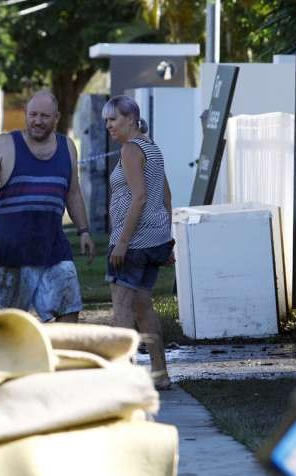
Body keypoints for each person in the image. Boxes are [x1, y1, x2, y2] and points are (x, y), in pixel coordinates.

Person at [0, 90, 95, 322]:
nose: (38, 121)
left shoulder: (67, 148)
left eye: (45, 116)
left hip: (54, 250)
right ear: (25, 113)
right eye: (33, 114)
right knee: (10, 325)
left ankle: (59, 358)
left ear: (56, 117)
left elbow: (73, 193)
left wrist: (84, 231)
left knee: (68, 314)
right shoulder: (4, 144)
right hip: (11, 255)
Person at [103, 95, 174, 390]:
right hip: (153, 240)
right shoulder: (152, 147)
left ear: (130, 119)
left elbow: (140, 197)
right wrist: (165, 237)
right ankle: (160, 374)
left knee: (121, 307)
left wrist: (122, 242)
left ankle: (123, 380)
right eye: (106, 121)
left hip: (132, 243)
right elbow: (166, 196)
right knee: (143, 306)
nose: (109, 125)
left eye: (113, 119)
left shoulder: (131, 150)